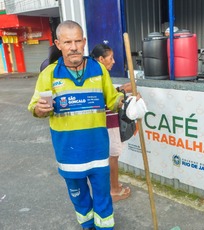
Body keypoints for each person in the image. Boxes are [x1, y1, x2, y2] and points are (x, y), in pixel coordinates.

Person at [28, 20, 124, 230]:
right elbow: (34, 106)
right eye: (68, 41)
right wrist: (39, 109)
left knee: (102, 198)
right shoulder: (49, 74)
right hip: (69, 153)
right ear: (58, 44)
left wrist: (127, 102)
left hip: (97, 149)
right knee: (79, 199)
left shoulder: (98, 69)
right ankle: (87, 227)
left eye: (78, 41)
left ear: (84, 42)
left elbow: (112, 100)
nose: (73, 46)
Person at [90, 44, 132, 202]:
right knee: (113, 157)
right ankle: (114, 190)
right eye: (111, 58)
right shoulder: (100, 74)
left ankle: (111, 185)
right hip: (109, 122)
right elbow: (105, 99)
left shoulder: (93, 73)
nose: (113, 61)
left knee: (109, 157)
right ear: (101, 59)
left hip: (103, 123)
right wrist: (122, 92)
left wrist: (120, 89)